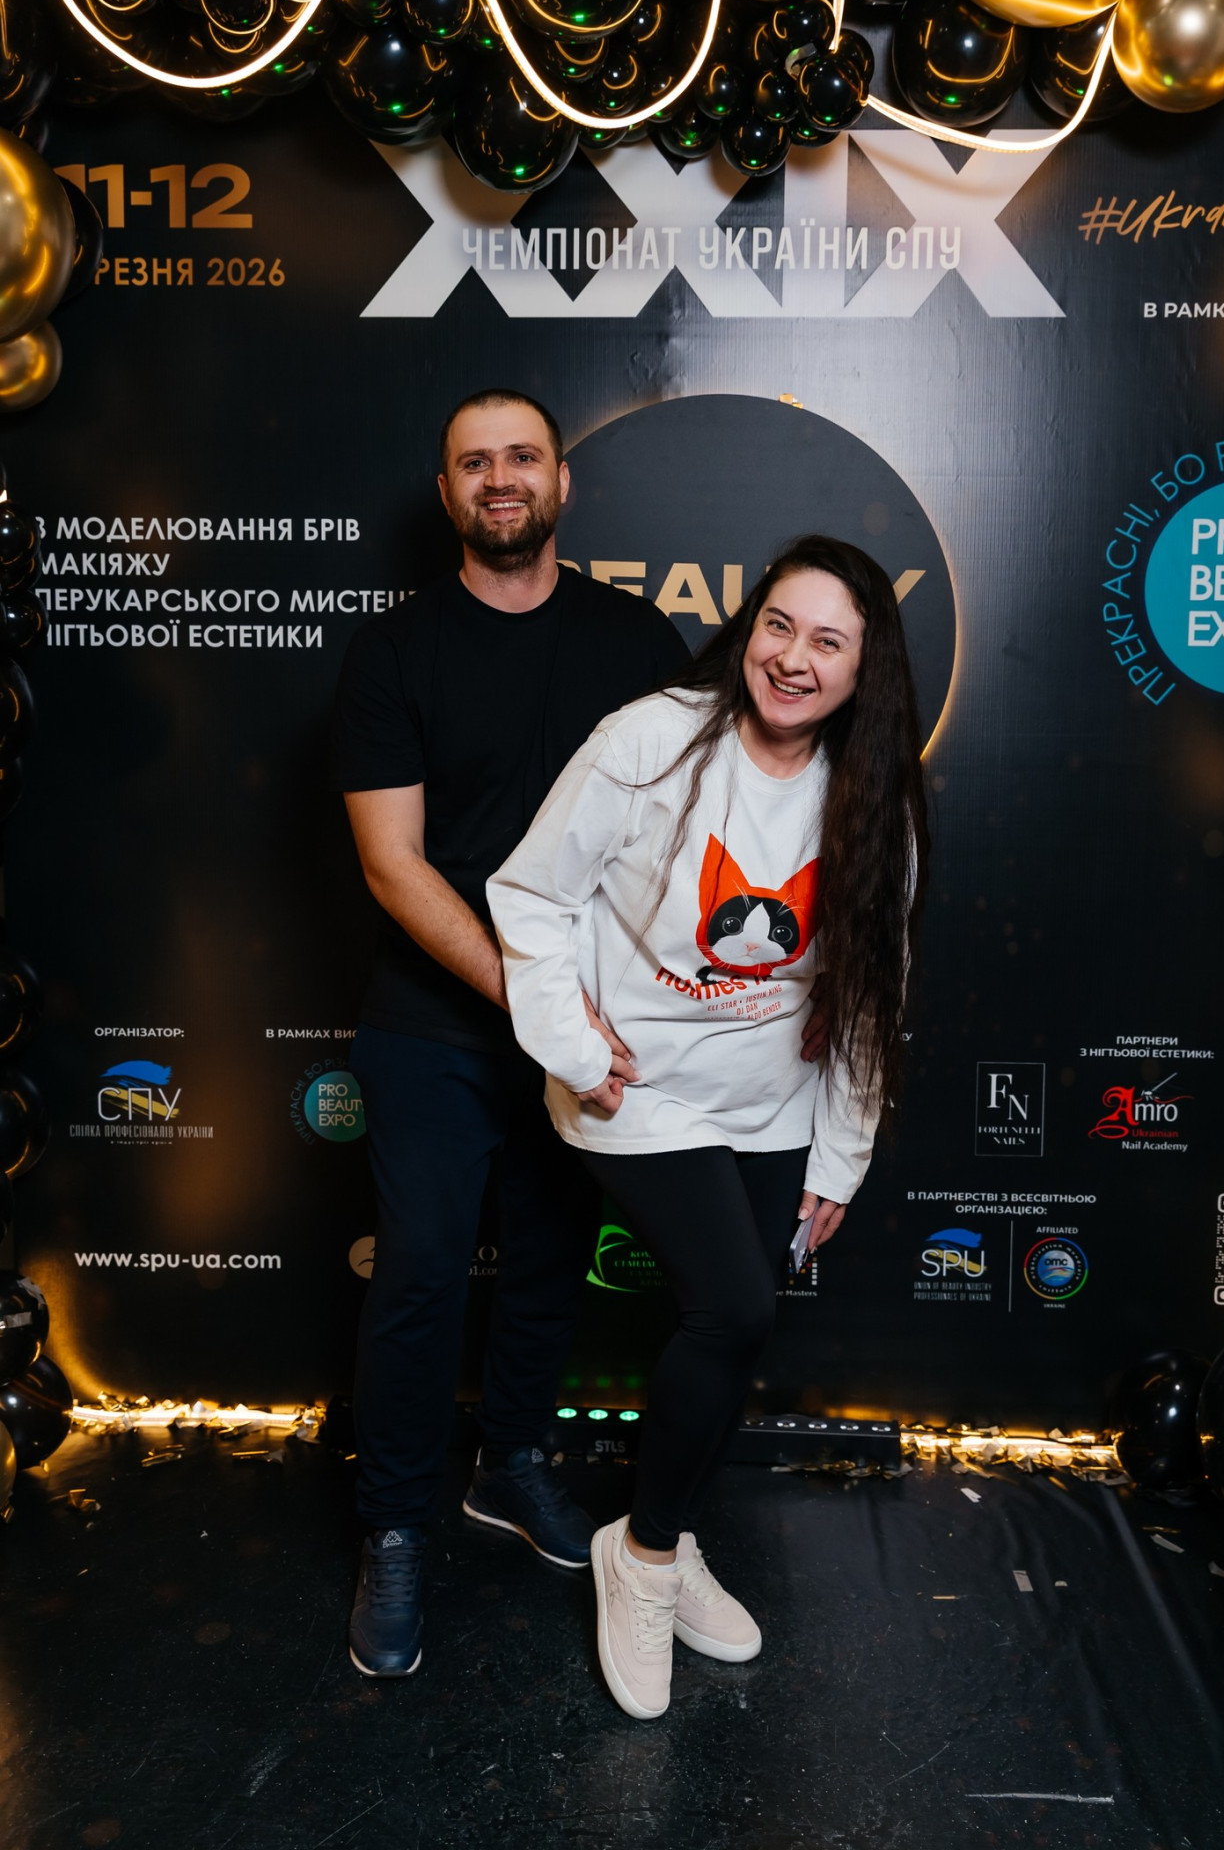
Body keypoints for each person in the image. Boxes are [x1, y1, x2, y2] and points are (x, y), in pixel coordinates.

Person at [488, 535, 929, 1721]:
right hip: (635, 1090)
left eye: (827, 641)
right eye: (778, 625)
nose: (793, 658)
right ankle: (639, 1559)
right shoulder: (649, 741)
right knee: (731, 1307)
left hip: (770, 1099)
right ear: (747, 630)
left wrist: (840, 1152)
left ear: (863, 669)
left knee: (735, 1331)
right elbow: (530, 893)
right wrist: (575, 1045)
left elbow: (868, 993)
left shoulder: (870, 797)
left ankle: (666, 1539)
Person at [329, 389, 689, 1678]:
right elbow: (393, 862)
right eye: (474, 461)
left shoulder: (635, 639)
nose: (501, 478)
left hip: (588, 1026)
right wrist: (532, 1000)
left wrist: (614, 1011)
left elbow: (674, 837)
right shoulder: (395, 650)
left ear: (559, 481)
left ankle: (512, 1462)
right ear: (446, 492)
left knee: (547, 1258)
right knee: (422, 1273)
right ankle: (394, 1526)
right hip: (436, 1020)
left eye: (522, 456)